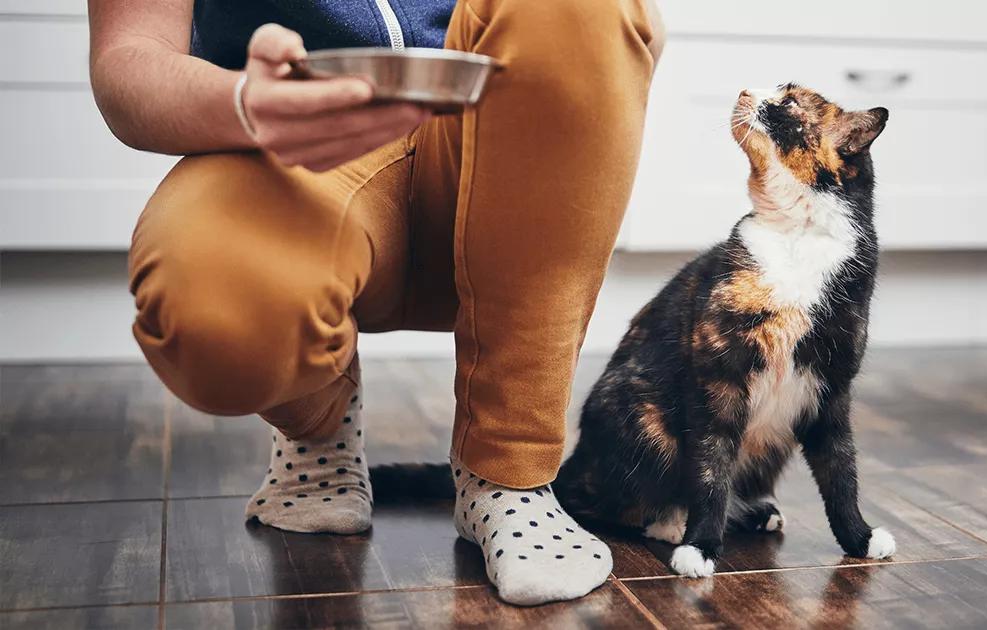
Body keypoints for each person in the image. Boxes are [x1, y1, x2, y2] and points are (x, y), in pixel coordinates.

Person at [89, 0, 662, 606]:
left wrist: (594, 49)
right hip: (289, 152)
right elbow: (129, 58)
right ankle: (317, 430)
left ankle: (507, 473)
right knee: (213, 316)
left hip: (497, 143)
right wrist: (244, 103)